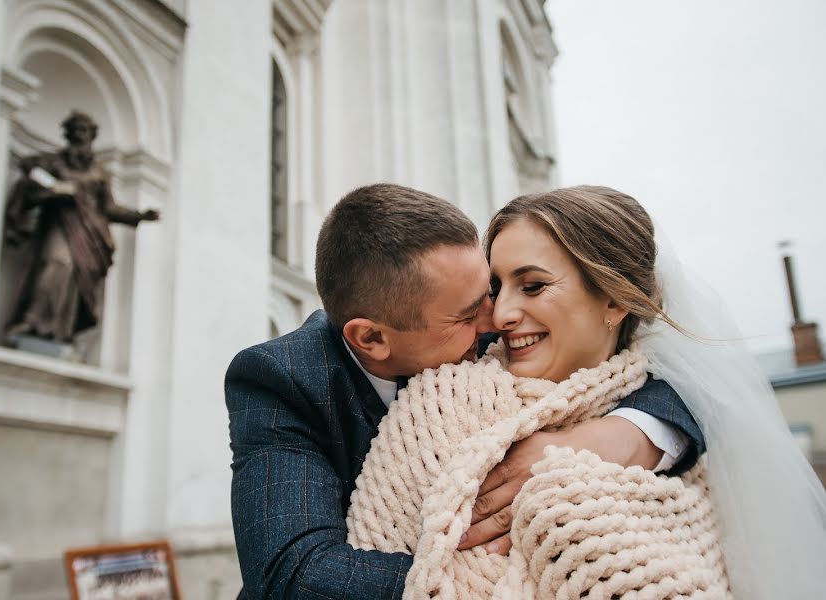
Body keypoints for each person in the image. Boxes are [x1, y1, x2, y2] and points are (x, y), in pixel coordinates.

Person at [224, 184, 705, 599]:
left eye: (490, 290)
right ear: (371, 339)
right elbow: (294, 575)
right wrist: (514, 585)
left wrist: (621, 435)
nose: (496, 319)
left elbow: (679, 380)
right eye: (472, 310)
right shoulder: (285, 378)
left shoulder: (488, 328)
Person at [349, 185, 826, 598]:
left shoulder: (680, 420)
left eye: (533, 286)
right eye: (496, 288)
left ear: (614, 299)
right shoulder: (441, 403)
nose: (501, 315)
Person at [4, 110, 159, 342]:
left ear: (92, 136)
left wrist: (138, 216)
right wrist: (53, 188)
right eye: (76, 129)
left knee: (75, 280)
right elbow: (28, 166)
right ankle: (33, 321)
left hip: (89, 233)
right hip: (60, 224)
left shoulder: (99, 171)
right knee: (56, 262)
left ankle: (59, 330)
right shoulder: (54, 160)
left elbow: (108, 207)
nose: (80, 135)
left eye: (85, 130)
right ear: (68, 133)